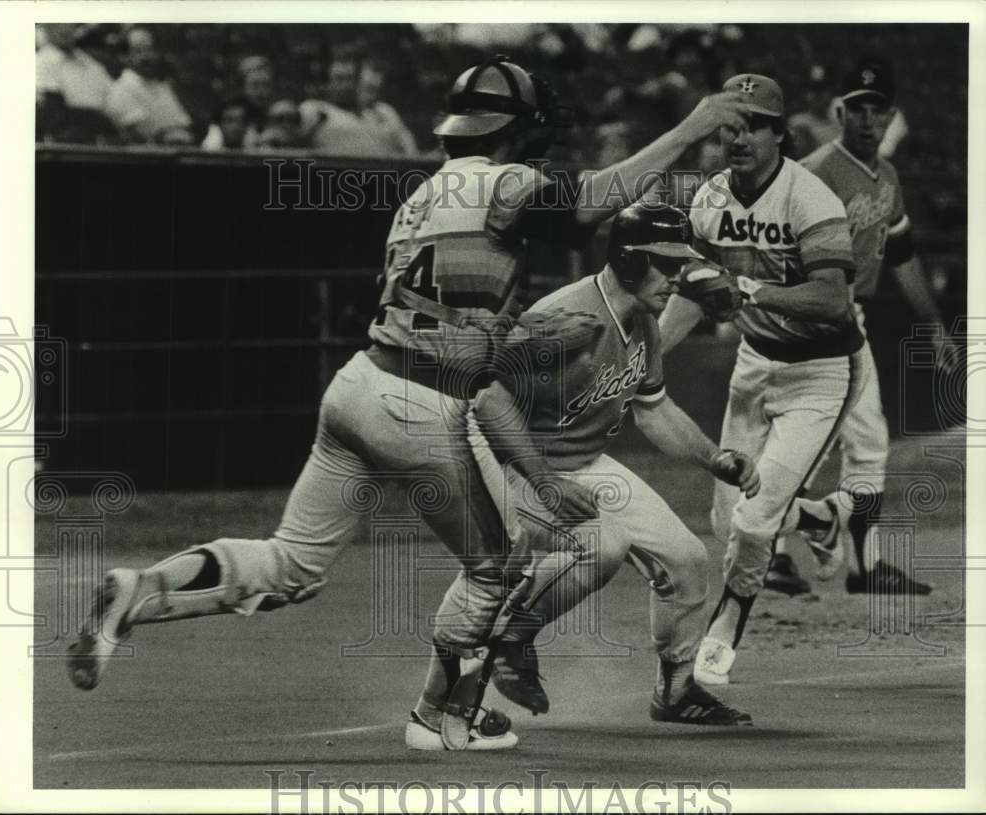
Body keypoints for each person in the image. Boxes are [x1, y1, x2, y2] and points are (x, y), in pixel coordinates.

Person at [67, 55, 754, 750]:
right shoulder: (502, 180)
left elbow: (457, 295)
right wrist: (691, 126)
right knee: (500, 564)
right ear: (517, 131)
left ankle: (141, 590)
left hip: (358, 384)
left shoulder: (422, 196)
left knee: (289, 565)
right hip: (422, 403)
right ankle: (437, 715)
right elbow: (588, 205)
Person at [474, 202, 759, 725]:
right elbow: (485, 400)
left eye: (680, 265)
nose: (676, 279)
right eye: (665, 264)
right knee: (602, 545)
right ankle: (511, 640)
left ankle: (675, 690)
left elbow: (654, 412)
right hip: (513, 468)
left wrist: (714, 458)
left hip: (583, 463)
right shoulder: (566, 316)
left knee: (687, 558)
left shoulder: (643, 322)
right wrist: (539, 480)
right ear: (629, 262)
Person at [657, 74, 868, 687]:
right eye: (729, 124)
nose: (737, 136)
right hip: (755, 365)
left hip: (821, 374)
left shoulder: (811, 197)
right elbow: (692, 294)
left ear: (781, 134)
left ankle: (725, 632)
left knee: (752, 525)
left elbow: (832, 300)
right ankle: (823, 520)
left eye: (752, 124)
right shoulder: (709, 200)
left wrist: (749, 287)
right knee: (729, 520)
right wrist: (648, 355)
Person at [766, 60, 957, 597]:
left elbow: (901, 255)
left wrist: (936, 327)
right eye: (859, 109)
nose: (869, 119)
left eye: (879, 109)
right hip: (807, 319)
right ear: (840, 113)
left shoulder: (887, 178)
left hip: (851, 318)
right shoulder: (813, 170)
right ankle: (775, 554)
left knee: (867, 441)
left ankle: (865, 565)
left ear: (890, 116)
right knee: (809, 437)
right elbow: (771, 245)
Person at [105, 27, 193, 144]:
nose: (146, 56)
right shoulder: (121, 90)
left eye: (150, 50)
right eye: (138, 51)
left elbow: (184, 124)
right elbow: (142, 134)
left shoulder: (161, 86)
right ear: (124, 57)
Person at [787, 65, 839, 159]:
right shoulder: (798, 123)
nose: (818, 95)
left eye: (822, 89)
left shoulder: (839, 123)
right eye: (813, 89)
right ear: (805, 93)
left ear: (831, 91)